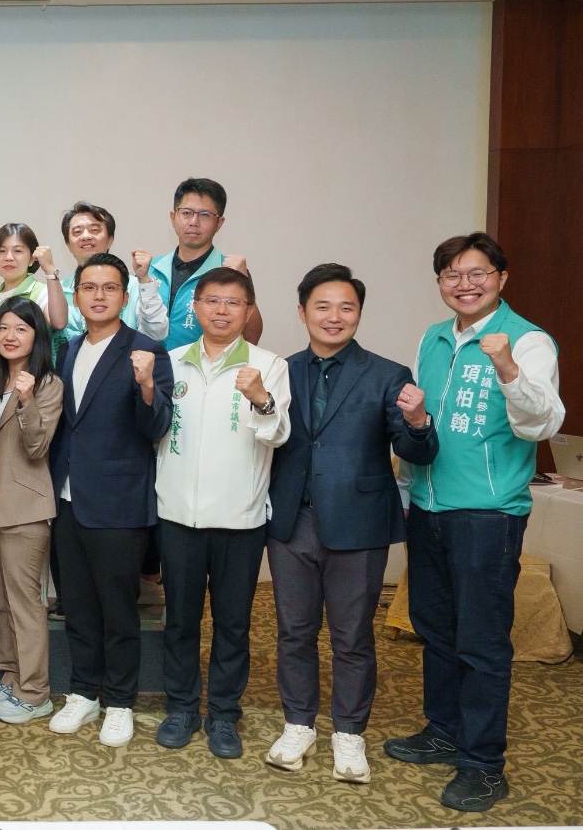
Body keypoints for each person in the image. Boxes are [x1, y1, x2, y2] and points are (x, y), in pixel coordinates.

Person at [386, 233, 564, 812]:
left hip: (487, 514)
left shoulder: (528, 340)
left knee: (482, 641)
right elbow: (423, 420)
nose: (465, 284)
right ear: (440, 283)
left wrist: (506, 365)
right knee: (434, 628)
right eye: (452, 275)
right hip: (429, 505)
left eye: (477, 273)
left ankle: (484, 764)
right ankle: (444, 730)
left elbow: (541, 424)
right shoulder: (433, 338)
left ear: (501, 278)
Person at [265, 264, 437, 783]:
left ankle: (348, 732)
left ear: (359, 313)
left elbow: (417, 452)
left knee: (353, 636)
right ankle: (299, 723)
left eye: (347, 307)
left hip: (359, 524)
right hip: (292, 520)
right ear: (302, 312)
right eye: (323, 306)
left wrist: (418, 422)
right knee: (294, 632)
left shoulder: (388, 374)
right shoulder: (280, 370)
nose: (334, 316)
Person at [153, 267, 290, 759]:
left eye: (234, 303)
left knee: (233, 624)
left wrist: (261, 399)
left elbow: (277, 435)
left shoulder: (269, 365)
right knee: (180, 621)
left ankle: (225, 714)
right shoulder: (171, 362)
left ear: (248, 310)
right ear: (196, 307)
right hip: (177, 515)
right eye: (212, 300)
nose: (222, 310)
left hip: (240, 518)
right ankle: (181, 707)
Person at [45, 253, 174, 747]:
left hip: (119, 501)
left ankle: (120, 700)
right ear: (77, 295)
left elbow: (157, 427)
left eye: (110, 288)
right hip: (67, 497)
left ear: (124, 295)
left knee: (118, 609)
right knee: (77, 604)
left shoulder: (147, 350)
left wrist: (146, 386)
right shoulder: (69, 349)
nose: (99, 296)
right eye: (90, 287)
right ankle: (84, 691)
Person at [0, 297, 63, 724]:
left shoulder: (47, 384)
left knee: (26, 604)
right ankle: (11, 680)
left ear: (36, 336)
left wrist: (26, 400)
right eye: (4, 328)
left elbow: (37, 446)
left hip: (25, 510)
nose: (10, 336)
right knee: (1, 602)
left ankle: (36, 692)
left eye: (21, 329)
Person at [151, 178, 263, 350]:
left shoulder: (230, 271)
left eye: (205, 215)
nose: (194, 222)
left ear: (219, 223)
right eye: (186, 213)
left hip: (204, 365)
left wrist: (243, 280)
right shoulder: (150, 269)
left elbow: (251, 338)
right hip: (148, 365)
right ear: (173, 218)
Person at [55, 202, 167, 343]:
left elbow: (157, 334)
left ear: (109, 240)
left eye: (94, 230)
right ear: (68, 245)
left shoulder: (135, 287)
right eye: (77, 232)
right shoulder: (57, 291)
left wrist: (144, 279)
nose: (86, 236)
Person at [0, 222, 69, 340]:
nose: (8, 257)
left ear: (32, 259)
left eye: (17, 251)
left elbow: (59, 322)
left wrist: (50, 269)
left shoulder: (42, 292)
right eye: (1, 251)